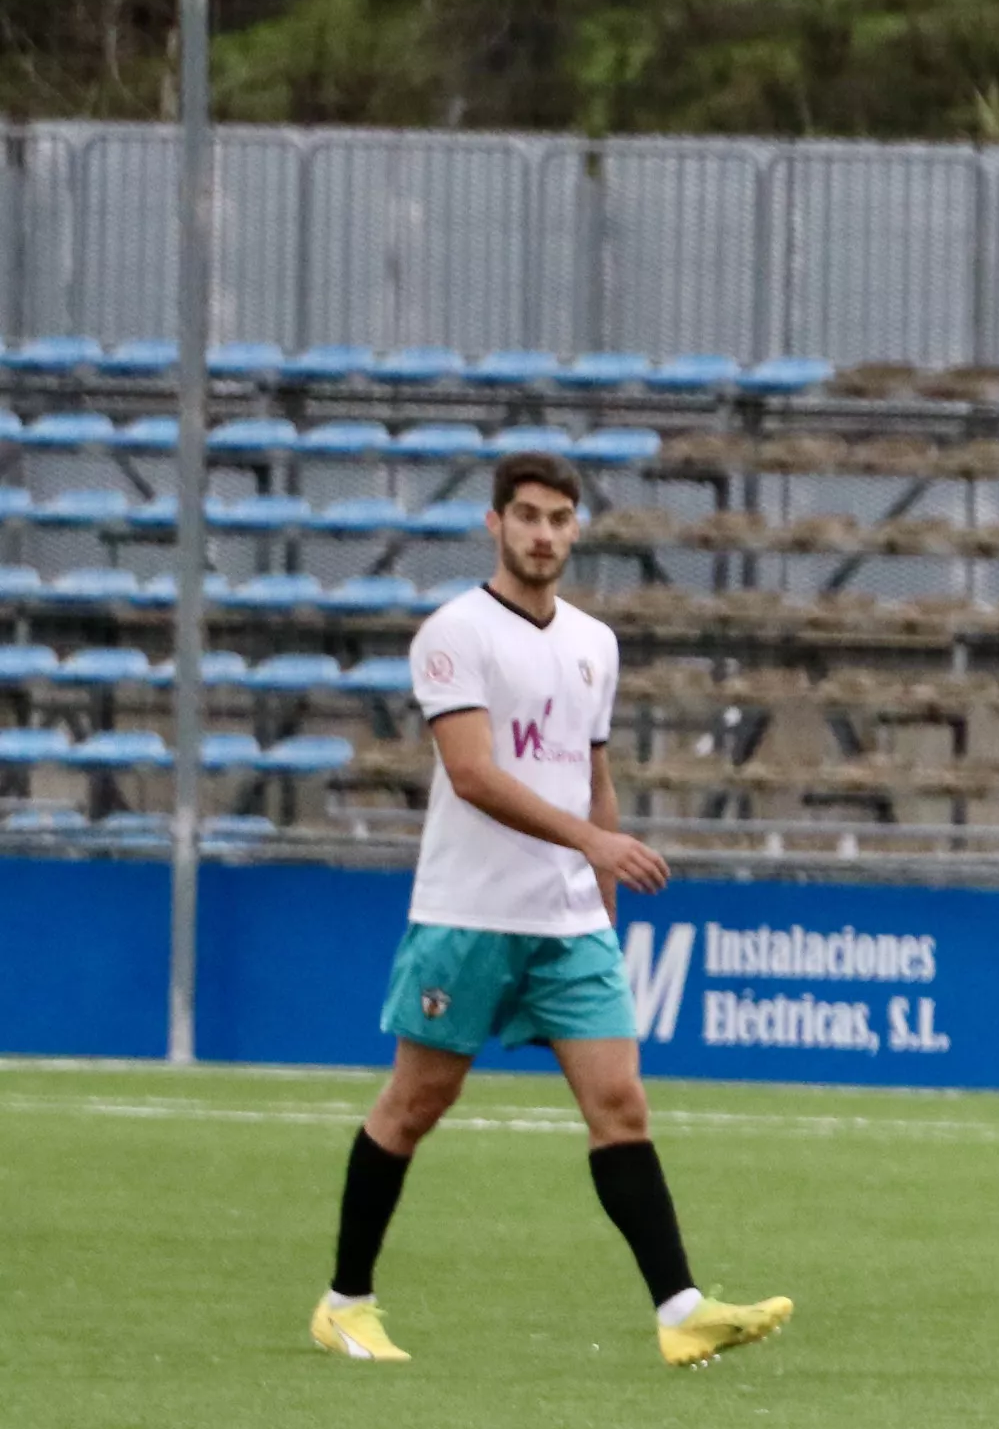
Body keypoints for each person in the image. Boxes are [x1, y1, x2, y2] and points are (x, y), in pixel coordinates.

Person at [309, 450, 794, 1369]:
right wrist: (591, 843)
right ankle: (344, 1302)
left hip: (569, 923)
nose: (542, 534)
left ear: (576, 530)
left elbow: (592, 776)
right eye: (526, 516)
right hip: (468, 914)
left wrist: (601, 899)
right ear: (495, 524)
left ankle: (680, 1309)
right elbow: (474, 775)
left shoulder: (594, 644)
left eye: (558, 519)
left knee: (620, 1104)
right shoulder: (454, 634)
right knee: (417, 1103)